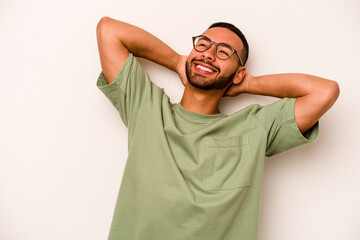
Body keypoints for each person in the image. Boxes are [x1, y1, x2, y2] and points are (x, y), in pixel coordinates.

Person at [95, 16, 339, 240]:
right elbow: (109, 30)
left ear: (238, 72)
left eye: (224, 52)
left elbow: (324, 91)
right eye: (202, 45)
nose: (209, 54)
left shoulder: (254, 126)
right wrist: (177, 61)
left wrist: (248, 83)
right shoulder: (146, 107)